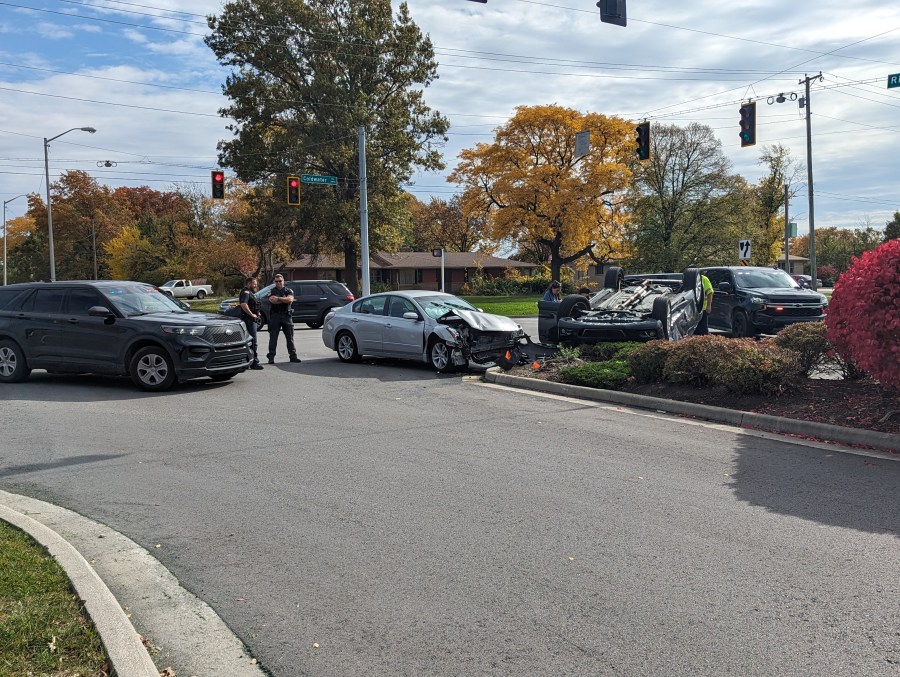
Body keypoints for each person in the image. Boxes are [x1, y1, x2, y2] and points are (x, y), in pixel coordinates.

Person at [266, 274, 301, 364]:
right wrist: (283, 299)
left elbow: (290, 300)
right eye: (276, 281)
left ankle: (293, 356)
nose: (278, 283)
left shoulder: (288, 290)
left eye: (280, 281)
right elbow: (272, 300)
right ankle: (271, 357)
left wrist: (278, 299)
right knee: (273, 338)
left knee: (290, 338)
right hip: (275, 316)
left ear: (283, 281)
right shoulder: (271, 291)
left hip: (286, 316)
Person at [239, 277, 264, 370]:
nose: (256, 285)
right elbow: (243, 304)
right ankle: (254, 362)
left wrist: (257, 313)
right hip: (248, 320)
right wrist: (252, 315)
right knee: (253, 341)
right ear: (249, 284)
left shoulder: (251, 293)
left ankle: (249, 361)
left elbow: (254, 305)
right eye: (254, 284)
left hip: (252, 320)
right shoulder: (246, 292)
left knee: (252, 341)